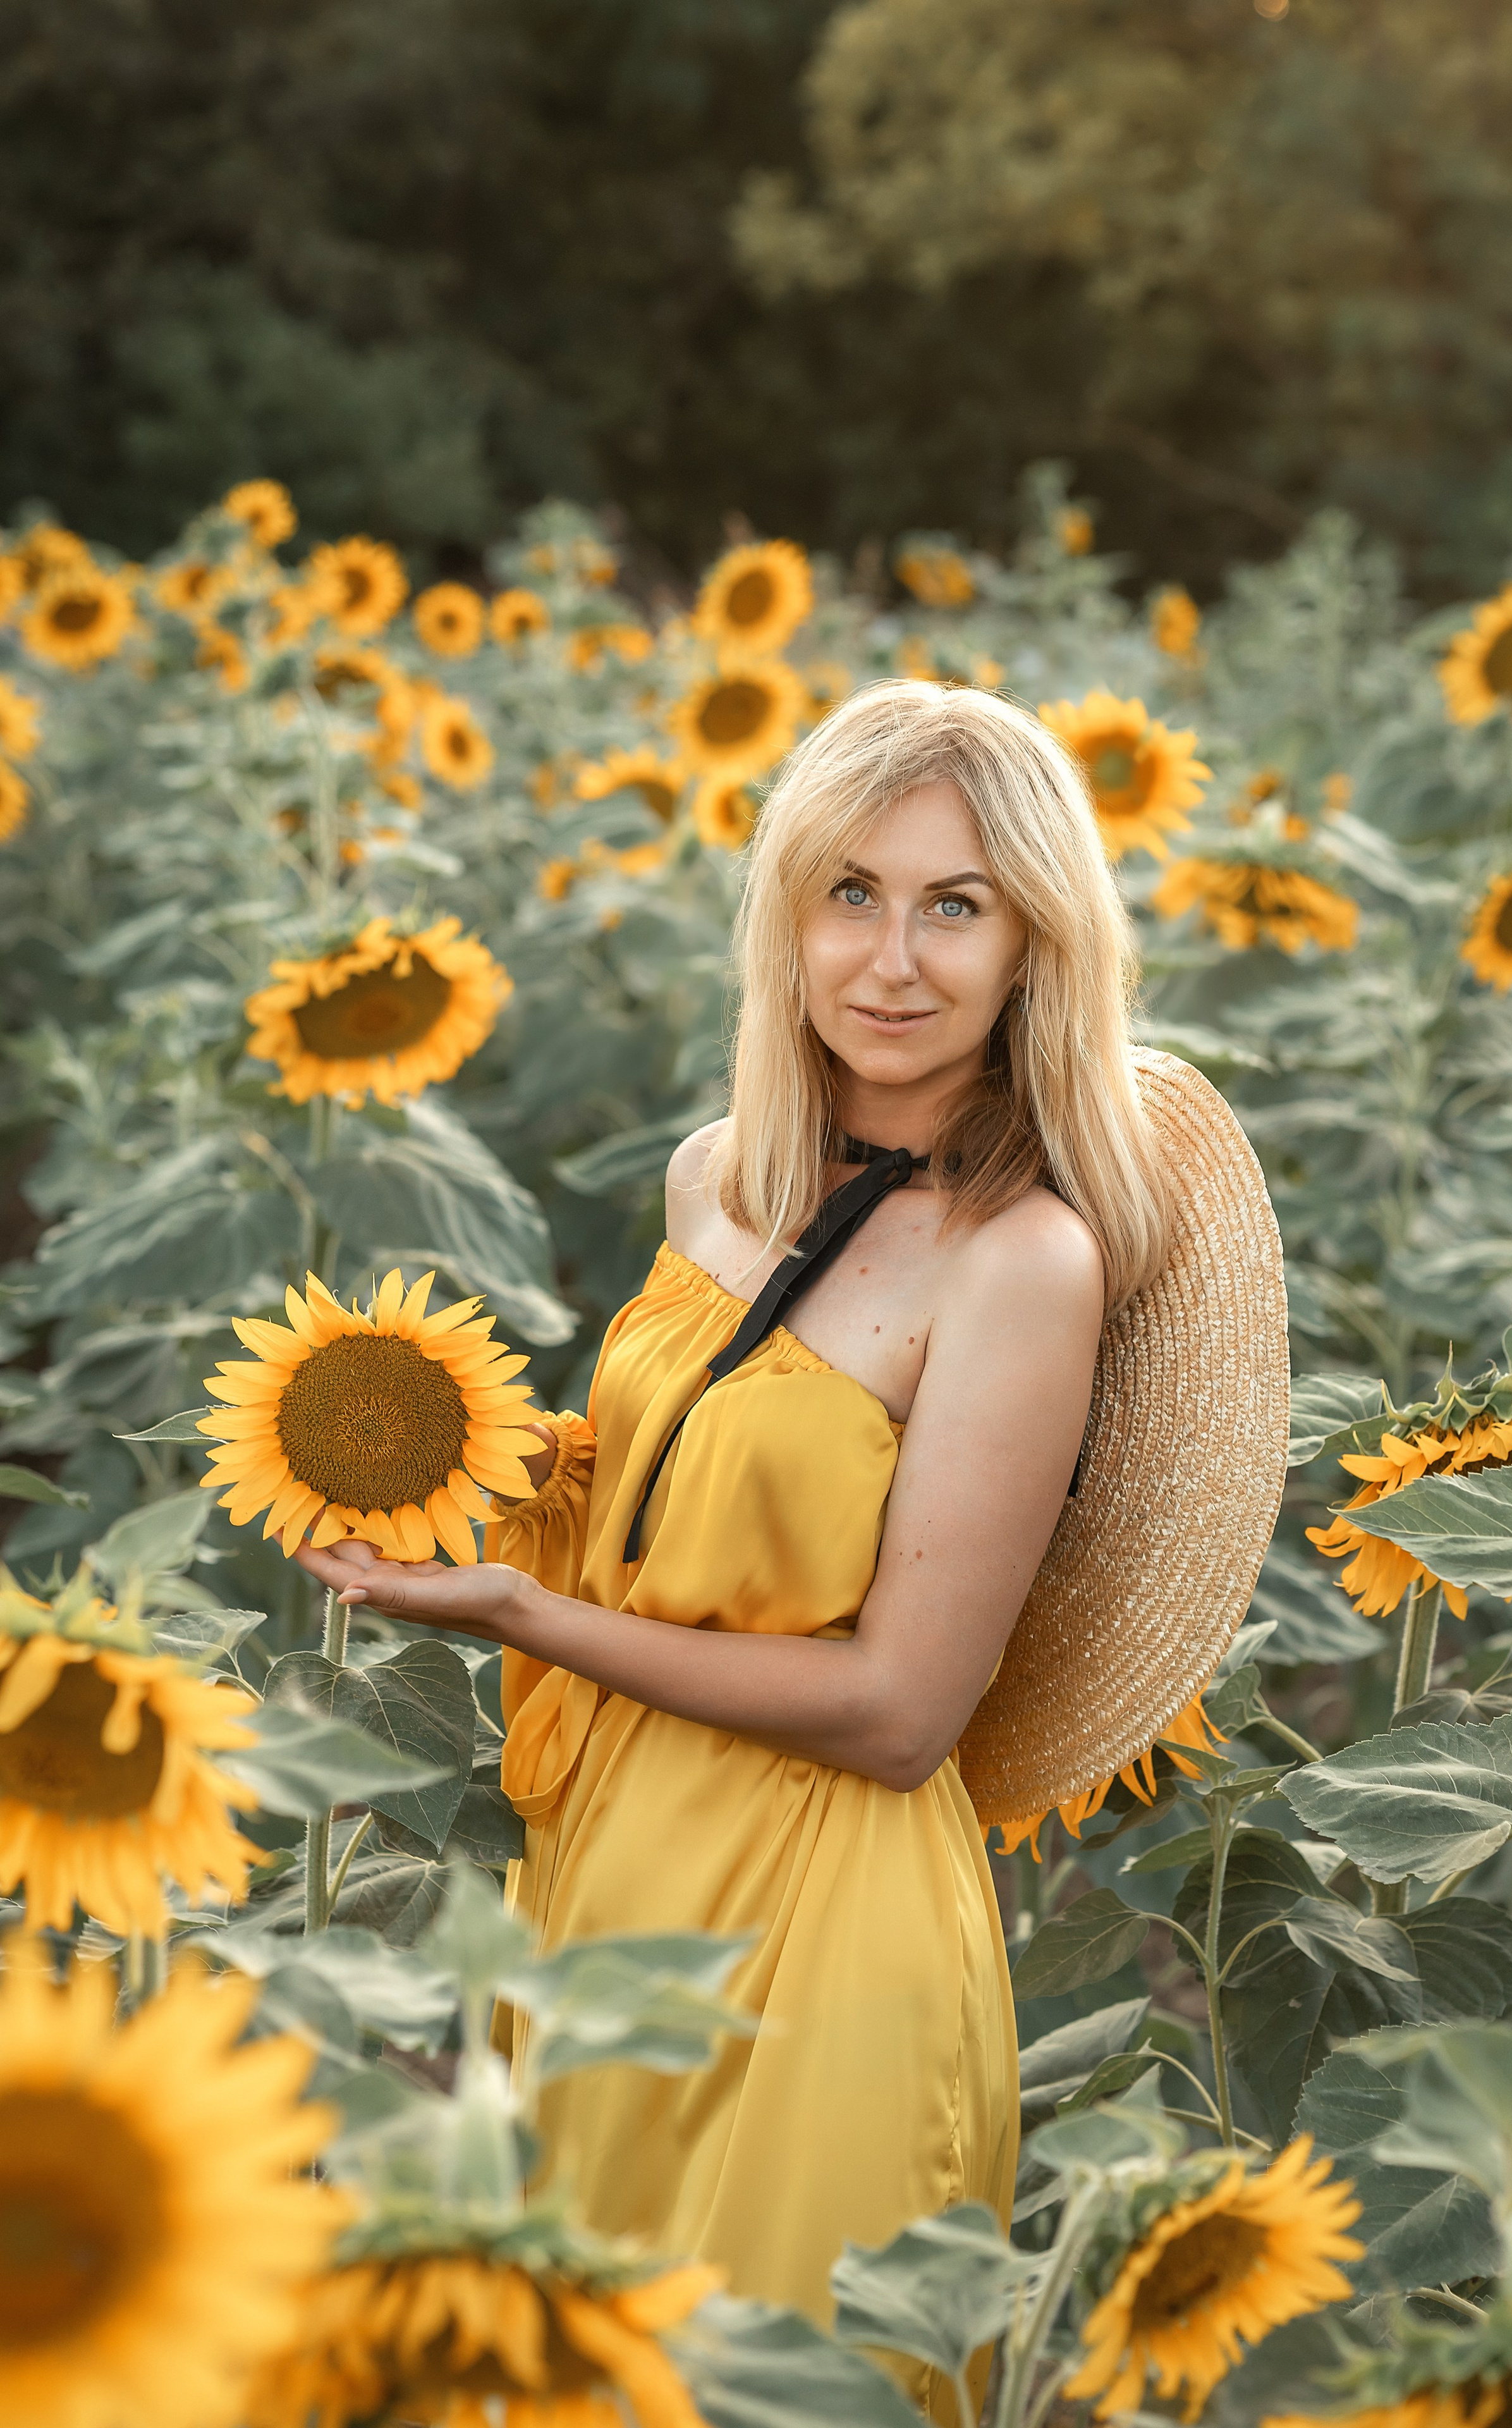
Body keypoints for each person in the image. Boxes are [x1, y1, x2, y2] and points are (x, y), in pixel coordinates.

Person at [293, 678, 1173, 2421]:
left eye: (956, 906)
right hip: (604, 1880)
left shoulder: (1022, 1263)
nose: (893, 960)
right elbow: (670, 1485)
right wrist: (460, 1465)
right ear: (786, 914)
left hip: (819, 1930)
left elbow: (902, 1708)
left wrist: (523, 1613)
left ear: (1035, 948)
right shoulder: (721, 1175)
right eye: (851, 892)